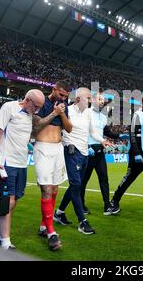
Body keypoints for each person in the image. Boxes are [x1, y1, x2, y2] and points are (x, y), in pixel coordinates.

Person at [0, 89, 45, 250]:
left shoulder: (29, 115)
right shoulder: (9, 107)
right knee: (9, 200)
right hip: (7, 161)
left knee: (14, 201)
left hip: (22, 163)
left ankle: (0, 236)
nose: (37, 110)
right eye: (36, 107)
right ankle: (5, 242)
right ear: (27, 100)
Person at [54, 88, 112, 235]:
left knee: (75, 185)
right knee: (76, 185)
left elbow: (92, 131)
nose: (91, 100)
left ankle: (59, 213)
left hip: (85, 153)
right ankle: (82, 222)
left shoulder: (88, 113)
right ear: (78, 99)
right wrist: (66, 144)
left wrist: (102, 140)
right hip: (72, 152)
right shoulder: (67, 110)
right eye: (88, 98)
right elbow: (64, 130)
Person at [32, 80, 73, 251]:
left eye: (65, 96)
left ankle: (43, 226)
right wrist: (54, 113)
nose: (63, 98)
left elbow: (69, 128)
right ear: (53, 89)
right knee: (46, 189)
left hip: (58, 149)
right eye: (61, 94)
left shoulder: (64, 106)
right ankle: (51, 233)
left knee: (54, 189)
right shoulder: (42, 101)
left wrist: (62, 113)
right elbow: (36, 126)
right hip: (42, 148)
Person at [81, 92, 128, 216]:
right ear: (93, 100)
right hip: (87, 152)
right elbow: (82, 131)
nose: (102, 102)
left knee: (104, 179)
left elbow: (107, 132)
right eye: (100, 99)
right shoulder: (86, 113)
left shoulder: (103, 117)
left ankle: (107, 206)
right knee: (84, 180)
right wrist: (87, 146)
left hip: (100, 152)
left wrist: (119, 136)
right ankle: (81, 204)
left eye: (103, 100)